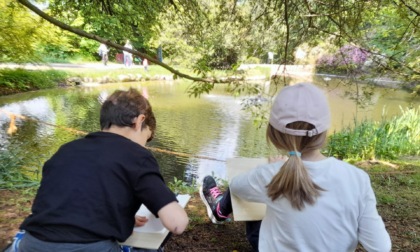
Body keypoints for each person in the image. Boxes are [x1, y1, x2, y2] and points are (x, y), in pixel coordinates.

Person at [200, 83, 391, 251]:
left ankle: (219, 211)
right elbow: (381, 246)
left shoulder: (270, 175)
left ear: (273, 133)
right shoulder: (358, 178)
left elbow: (237, 185)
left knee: (261, 201)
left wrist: (275, 169)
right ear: (324, 132)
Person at [12, 88, 189, 252]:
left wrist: (118, 217)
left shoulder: (67, 149)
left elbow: (66, 201)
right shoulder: (137, 155)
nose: (144, 146)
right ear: (139, 121)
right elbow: (177, 224)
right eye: (146, 138)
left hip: (31, 243)